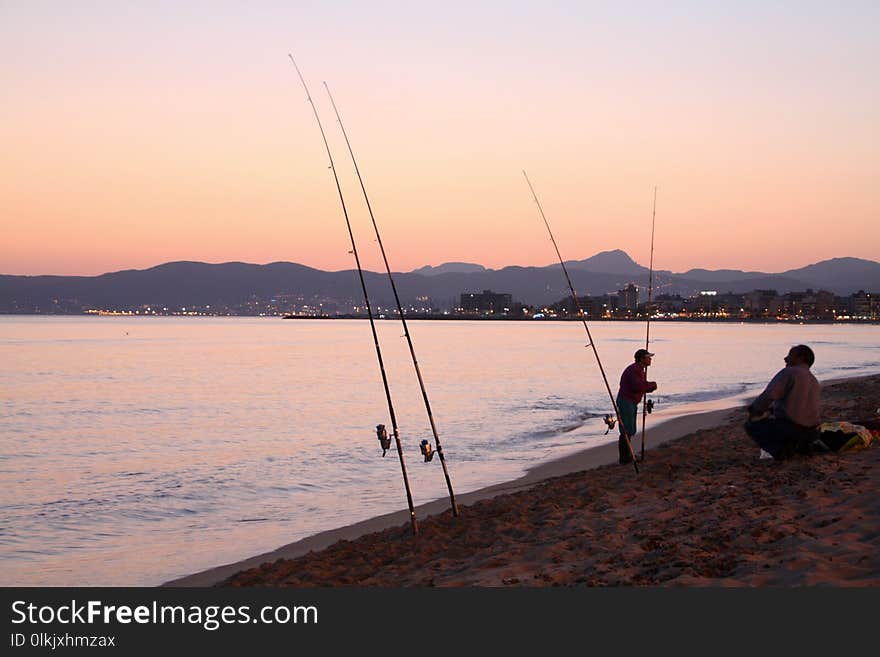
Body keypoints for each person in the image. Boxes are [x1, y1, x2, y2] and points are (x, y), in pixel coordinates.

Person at [745, 344, 821, 460]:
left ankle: (780, 452)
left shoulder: (790, 372)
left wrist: (754, 410)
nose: (785, 358)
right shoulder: (814, 380)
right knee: (778, 420)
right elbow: (798, 406)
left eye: (790, 355)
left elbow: (769, 395)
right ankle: (800, 446)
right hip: (813, 433)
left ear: (801, 358)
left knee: (751, 425)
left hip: (792, 429)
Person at [616, 348, 657, 464]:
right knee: (626, 430)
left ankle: (627, 456)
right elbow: (637, 386)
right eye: (648, 357)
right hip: (626, 402)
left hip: (630, 401)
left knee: (629, 429)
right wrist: (650, 385)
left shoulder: (638, 369)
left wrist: (648, 386)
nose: (650, 359)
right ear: (642, 359)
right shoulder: (635, 370)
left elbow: (638, 387)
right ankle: (624, 458)